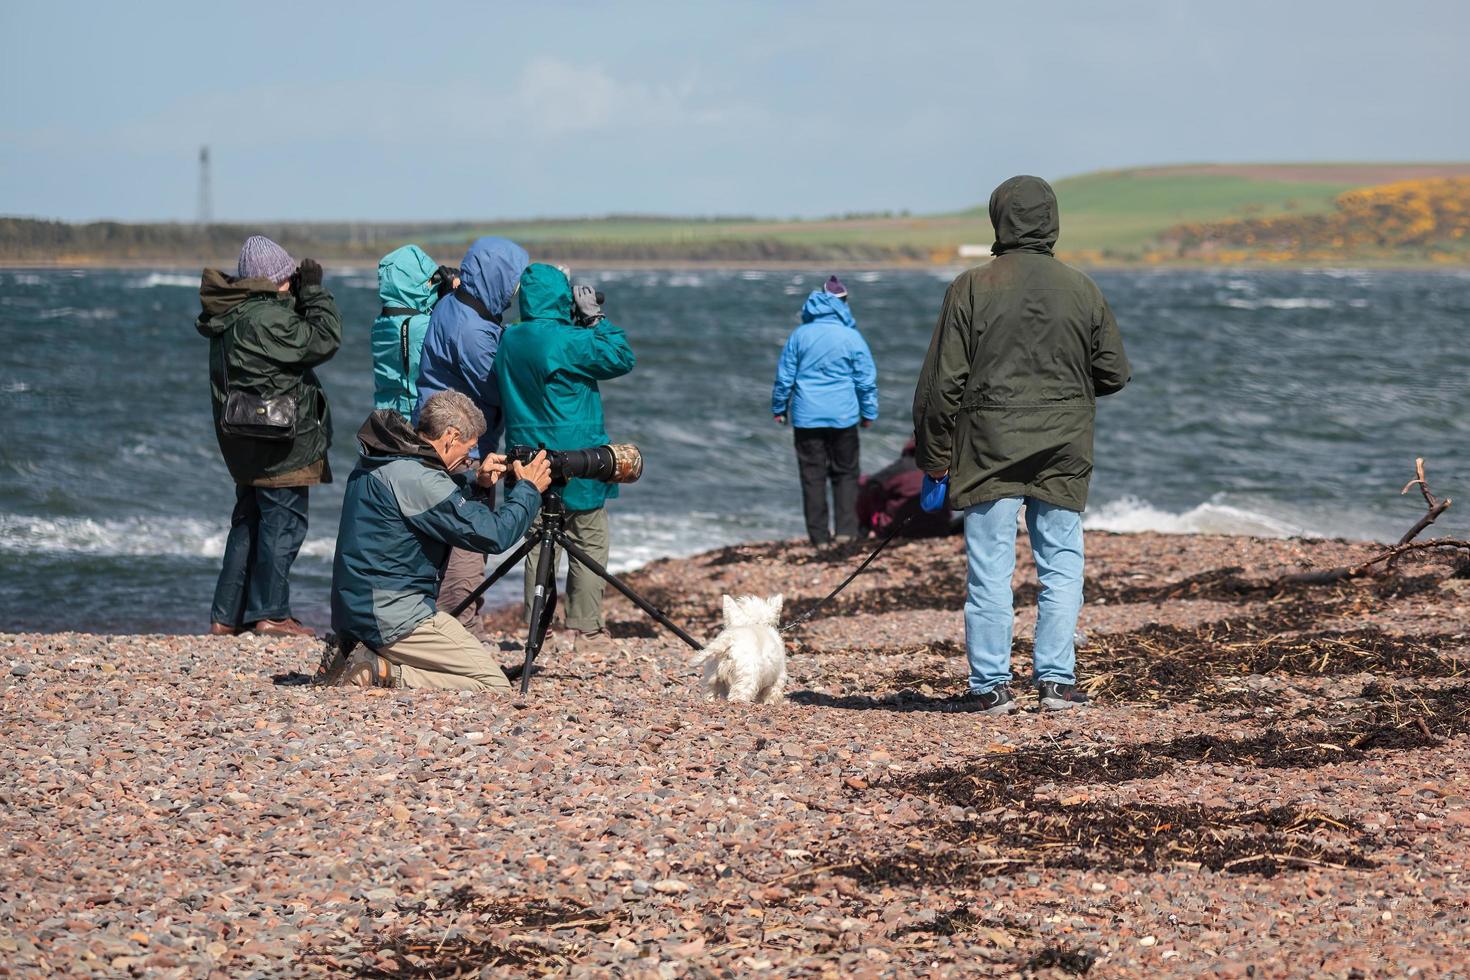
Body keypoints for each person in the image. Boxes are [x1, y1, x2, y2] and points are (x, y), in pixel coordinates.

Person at [913, 175, 1131, 715]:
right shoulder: (1082, 288)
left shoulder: (970, 287)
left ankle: (991, 686)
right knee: (1061, 563)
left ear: (999, 219)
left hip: (989, 447)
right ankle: (1056, 681)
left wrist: (934, 460)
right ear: (1052, 221)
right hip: (1063, 445)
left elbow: (941, 386)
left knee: (990, 568)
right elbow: (1114, 373)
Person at [326, 391, 552, 690]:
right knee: (493, 684)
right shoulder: (418, 477)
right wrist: (528, 490)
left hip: (354, 608)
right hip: (393, 616)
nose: (469, 459)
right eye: (469, 449)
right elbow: (495, 535)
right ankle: (382, 670)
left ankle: (364, 654)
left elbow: (428, 505)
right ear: (450, 436)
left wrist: (476, 483)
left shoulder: (384, 459)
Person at [199, 235, 341, 638]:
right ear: (277, 279)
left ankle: (226, 615)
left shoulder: (233, 313)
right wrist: (313, 291)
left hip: (242, 436)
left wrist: (292, 296)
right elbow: (323, 339)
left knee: (248, 522)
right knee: (284, 524)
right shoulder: (267, 318)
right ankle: (272, 615)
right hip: (280, 441)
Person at [496, 264, 635, 644]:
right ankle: (585, 626)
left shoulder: (509, 339)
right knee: (587, 539)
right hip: (577, 455)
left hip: (526, 456)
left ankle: (536, 628)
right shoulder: (566, 340)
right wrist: (594, 319)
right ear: (561, 297)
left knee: (536, 541)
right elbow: (620, 357)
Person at [414, 236, 531, 640]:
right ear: (497, 279)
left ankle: (443, 625)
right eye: (512, 281)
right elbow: (498, 389)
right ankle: (462, 630)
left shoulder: (458, 305)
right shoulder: (472, 333)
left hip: (441, 430)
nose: (515, 290)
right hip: (462, 445)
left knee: (444, 539)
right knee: (469, 536)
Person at [771, 275, 879, 546]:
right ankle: (846, 532)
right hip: (844, 416)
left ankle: (819, 538)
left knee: (812, 476)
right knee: (846, 473)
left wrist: (779, 408)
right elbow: (865, 381)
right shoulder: (852, 337)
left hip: (807, 417)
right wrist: (868, 414)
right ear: (843, 304)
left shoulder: (799, 335)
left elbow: (785, 378)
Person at [371, 244, 456, 417]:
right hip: (412, 424)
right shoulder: (417, 327)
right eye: (430, 281)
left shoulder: (381, 322)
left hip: (387, 419)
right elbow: (456, 342)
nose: (433, 285)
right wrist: (450, 300)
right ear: (414, 283)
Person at [856, 438, 962, 539]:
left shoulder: (901, 467)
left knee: (869, 486)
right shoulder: (948, 467)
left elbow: (870, 485)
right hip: (941, 529)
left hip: (903, 530)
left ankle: (866, 530)